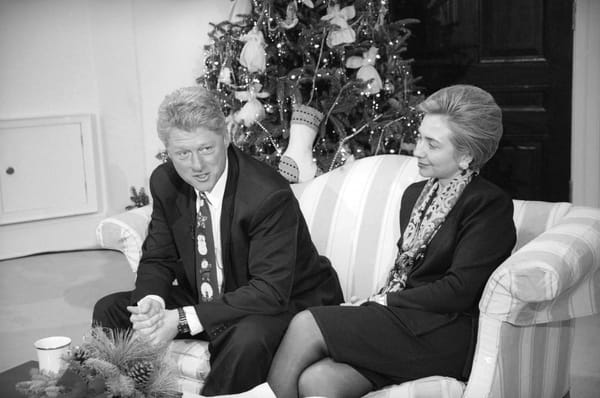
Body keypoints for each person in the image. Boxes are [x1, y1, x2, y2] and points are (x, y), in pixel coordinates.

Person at [217, 84, 517, 398]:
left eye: (432, 144)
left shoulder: (488, 205)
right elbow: (407, 272)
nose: (417, 150)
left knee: (306, 323)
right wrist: (383, 302)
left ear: (467, 154)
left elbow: (458, 291)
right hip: (403, 321)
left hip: (446, 334)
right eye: (420, 138)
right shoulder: (415, 195)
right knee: (318, 381)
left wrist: (385, 302)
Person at [92, 86, 343, 396]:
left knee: (246, 338)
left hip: (284, 302)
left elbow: (269, 290)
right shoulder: (166, 182)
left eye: (206, 149)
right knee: (112, 309)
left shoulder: (267, 194)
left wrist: (182, 320)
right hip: (212, 295)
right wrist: (151, 304)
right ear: (167, 151)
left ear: (225, 137)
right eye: (183, 153)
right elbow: (159, 256)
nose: (197, 165)